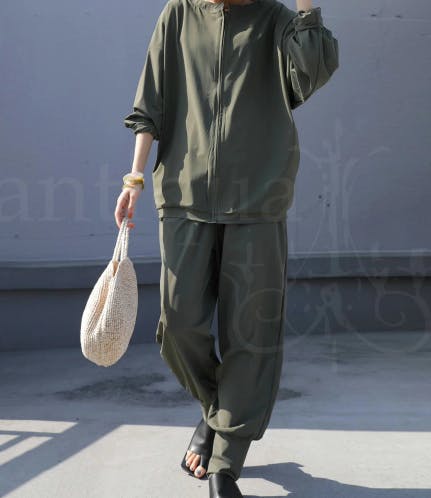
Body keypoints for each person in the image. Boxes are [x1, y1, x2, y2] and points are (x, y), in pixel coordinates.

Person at [117, 0, 339, 496]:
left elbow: (309, 76)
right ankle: (217, 412)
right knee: (179, 324)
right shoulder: (178, 14)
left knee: (250, 333)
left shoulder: (276, 19)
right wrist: (133, 178)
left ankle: (225, 463)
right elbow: (150, 102)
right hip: (183, 195)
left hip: (258, 199)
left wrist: (307, 9)